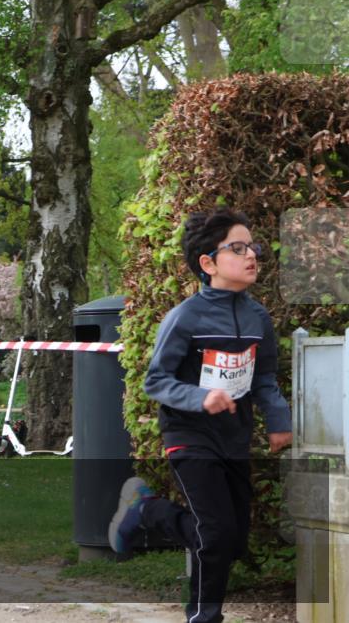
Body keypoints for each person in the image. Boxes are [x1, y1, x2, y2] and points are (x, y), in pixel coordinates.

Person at [108, 207, 292, 623]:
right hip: (188, 432)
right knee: (216, 534)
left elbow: (263, 379)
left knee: (233, 540)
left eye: (253, 248)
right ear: (207, 263)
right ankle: (204, 616)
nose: (252, 256)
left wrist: (278, 420)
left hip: (233, 436)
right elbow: (156, 381)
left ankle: (146, 509)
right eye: (238, 248)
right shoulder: (184, 318)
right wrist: (200, 397)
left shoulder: (258, 317)